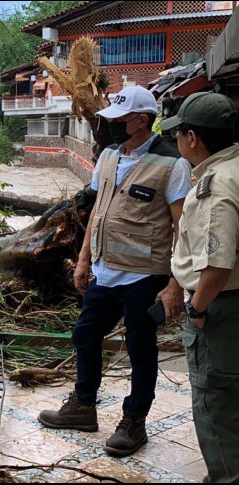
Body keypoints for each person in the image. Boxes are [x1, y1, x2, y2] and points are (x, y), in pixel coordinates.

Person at [38, 86, 192, 457]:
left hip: (145, 276)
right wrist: (85, 258)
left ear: (142, 121)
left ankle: (134, 421)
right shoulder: (108, 157)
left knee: (141, 350)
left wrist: (174, 286)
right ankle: (83, 406)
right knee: (84, 335)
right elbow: (97, 211)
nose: (111, 127)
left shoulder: (173, 165)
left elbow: (183, 229)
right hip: (104, 274)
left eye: (119, 121)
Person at [163, 91, 239, 483]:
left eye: (178, 135)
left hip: (222, 308)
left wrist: (198, 310)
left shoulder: (216, 185)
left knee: (216, 403)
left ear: (192, 138)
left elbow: (217, 264)